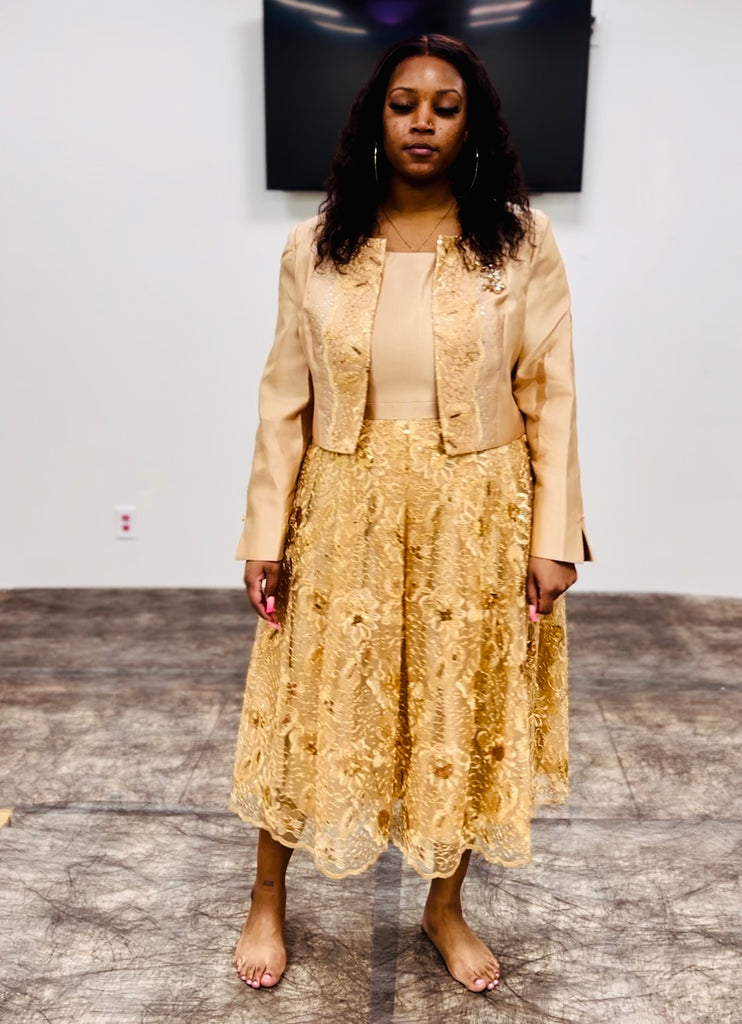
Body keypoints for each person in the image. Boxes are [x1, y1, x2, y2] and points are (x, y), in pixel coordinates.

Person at [229, 33, 590, 995]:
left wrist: (555, 539)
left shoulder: (521, 242)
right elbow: (283, 401)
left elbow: (552, 393)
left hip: (478, 511)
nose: (422, 121)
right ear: (376, 120)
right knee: (310, 699)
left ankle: (444, 907)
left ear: (473, 125)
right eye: (404, 104)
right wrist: (264, 535)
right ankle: (267, 896)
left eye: (444, 106)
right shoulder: (314, 246)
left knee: (457, 705)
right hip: (342, 504)